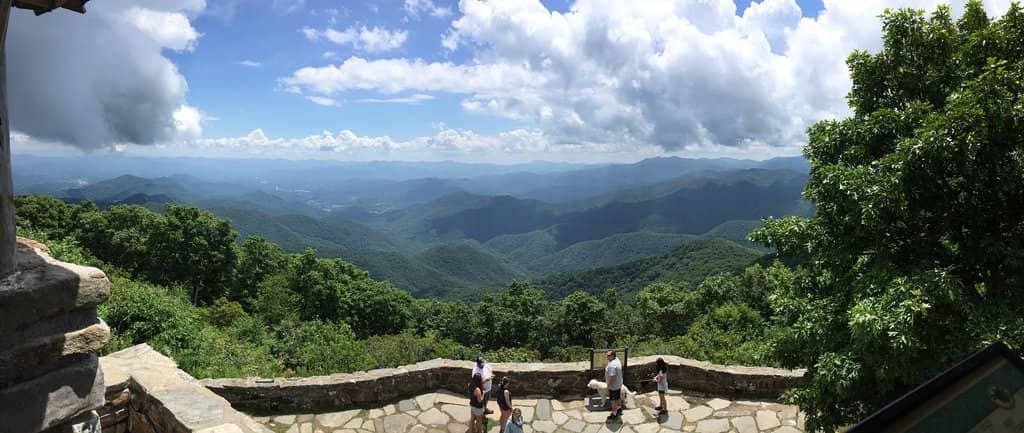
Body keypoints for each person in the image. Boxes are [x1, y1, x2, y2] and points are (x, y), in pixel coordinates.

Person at [605, 350, 623, 420]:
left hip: (613, 386)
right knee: (617, 397)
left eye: (609, 355)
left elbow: (612, 377)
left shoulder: (612, 365)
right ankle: (619, 409)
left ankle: (614, 413)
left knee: (613, 400)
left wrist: (608, 386)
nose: (607, 357)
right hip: (618, 384)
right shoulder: (617, 360)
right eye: (607, 355)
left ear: (613, 356)